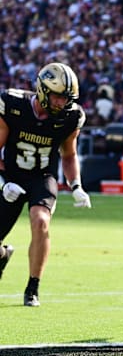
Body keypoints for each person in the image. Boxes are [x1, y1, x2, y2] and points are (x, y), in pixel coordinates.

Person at [0, 62, 92, 307]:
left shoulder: (71, 116)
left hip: (42, 177)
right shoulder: (13, 104)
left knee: (41, 221)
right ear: (42, 90)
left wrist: (76, 186)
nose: (62, 103)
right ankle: (3, 255)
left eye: (66, 98)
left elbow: (69, 154)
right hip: (10, 176)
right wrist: (3, 182)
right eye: (58, 97)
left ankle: (33, 287)